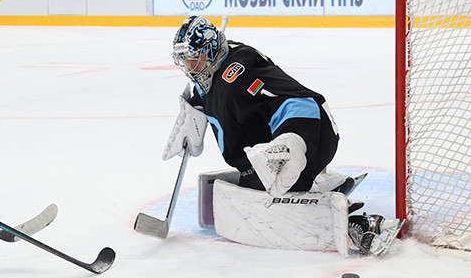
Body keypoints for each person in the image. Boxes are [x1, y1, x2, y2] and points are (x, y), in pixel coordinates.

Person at [164, 16, 401, 256]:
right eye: (185, 61)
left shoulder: (240, 74)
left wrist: (294, 141)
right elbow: (211, 91)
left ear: (212, 51)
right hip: (263, 154)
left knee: (273, 194)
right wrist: (195, 107)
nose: (190, 68)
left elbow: (301, 102)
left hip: (311, 138)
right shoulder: (215, 68)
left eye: (195, 60)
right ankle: (320, 183)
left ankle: (362, 225)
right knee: (256, 186)